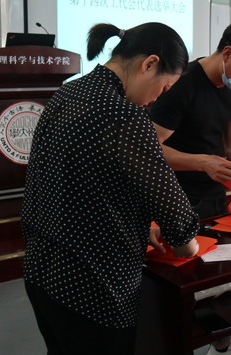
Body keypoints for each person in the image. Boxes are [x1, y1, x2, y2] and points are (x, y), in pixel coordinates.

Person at [22, 22, 200, 355]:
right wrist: (187, 242)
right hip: (93, 288)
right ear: (149, 64)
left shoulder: (68, 92)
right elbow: (172, 209)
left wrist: (135, 224)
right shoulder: (123, 115)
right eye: (164, 88)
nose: (157, 99)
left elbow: (77, 185)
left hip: (42, 269)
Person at [150, 15, 231, 355]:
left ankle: (220, 344)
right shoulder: (182, 84)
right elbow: (150, 149)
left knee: (218, 277)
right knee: (182, 285)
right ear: (228, 53)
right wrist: (201, 162)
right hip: (176, 197)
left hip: (213, 197)